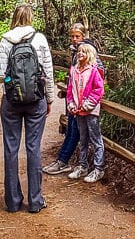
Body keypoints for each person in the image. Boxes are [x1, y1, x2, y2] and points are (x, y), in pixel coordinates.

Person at [0, 4, 56, 213]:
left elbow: (2, 75)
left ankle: (12, 202)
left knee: (10, 149)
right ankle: (36, 200)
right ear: (30, 17)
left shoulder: (5, 39)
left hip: (11, 101)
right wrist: (49, 98)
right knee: (33, 148)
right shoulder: (39, 39)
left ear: (14, 17)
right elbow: (47, 71)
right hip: (35, 100)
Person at [44, 23, 104, 175]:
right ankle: (67, 162)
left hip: (86, 105)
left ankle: (72, 163)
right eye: (72, 36)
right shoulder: (76, 53)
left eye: (77, 36)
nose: (74, 39)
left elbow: (99, 75)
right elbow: (72, 79)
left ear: (84, 36)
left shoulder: (89, 52)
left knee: (81, 134)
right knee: (72, 130)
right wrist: (71, 101)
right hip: (75, 102)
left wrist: (88, 100)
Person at [66, 42, 105, 183]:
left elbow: (98, 89)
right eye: (79, 51)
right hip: (78, 111)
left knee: (96, 139)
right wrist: (71, 104)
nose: (80, 53)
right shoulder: (74, 70)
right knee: (83, 139)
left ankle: (98, 168)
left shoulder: (94, 71)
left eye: (83, 51)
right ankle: (83, 166)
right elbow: (70, 89)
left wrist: (87, 105)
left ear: (89, 55)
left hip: (91, 110)